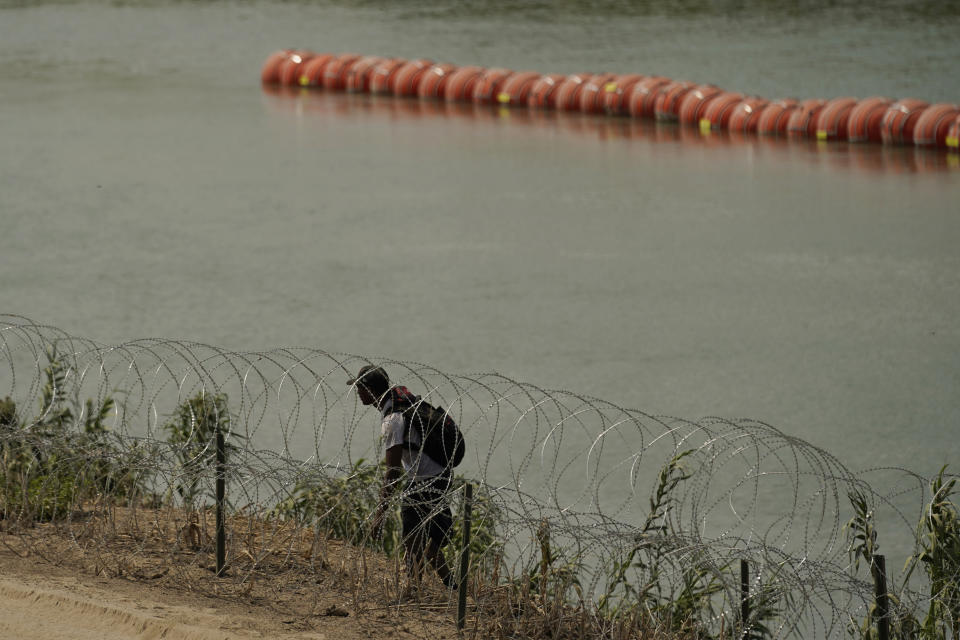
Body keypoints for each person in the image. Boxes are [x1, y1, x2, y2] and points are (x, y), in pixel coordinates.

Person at [347, 365, 455, 592]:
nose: (357, 392)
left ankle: (412, 593)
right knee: (430, 547)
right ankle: (457, 589)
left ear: (370, 390)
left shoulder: (392, 419)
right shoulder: (401, 405)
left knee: (412, 541)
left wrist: (379, 515)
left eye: (359, 388)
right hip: (440, 476)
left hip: (424, 480)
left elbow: (392, 472)